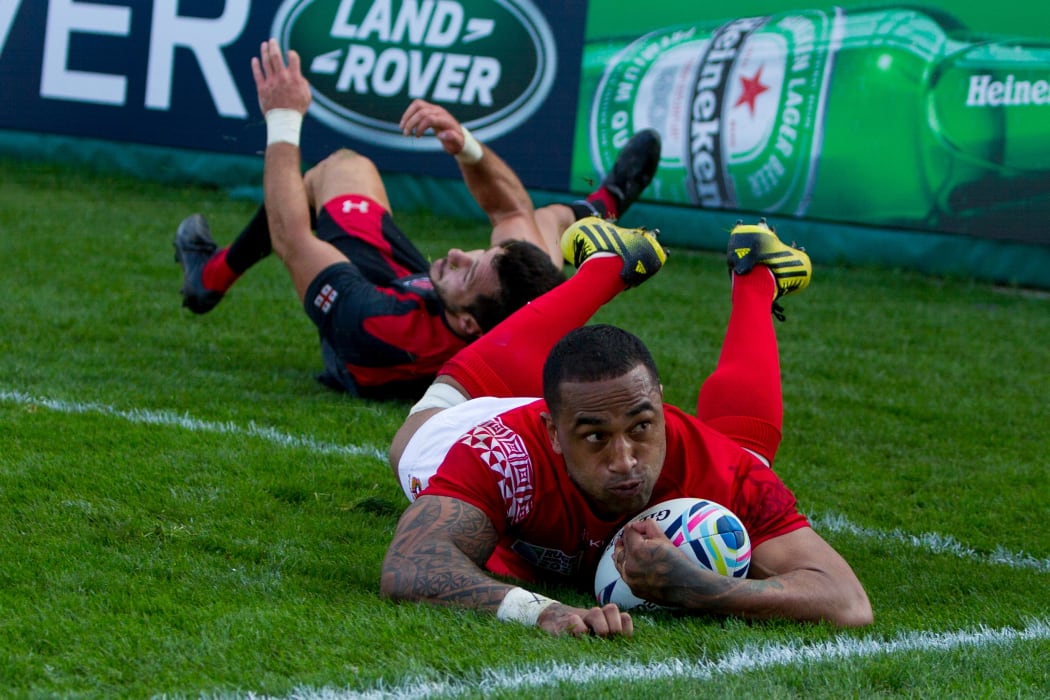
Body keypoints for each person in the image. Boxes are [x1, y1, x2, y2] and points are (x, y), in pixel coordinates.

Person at [380, 218, 873, 637]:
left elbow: (847, 601)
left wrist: (704, 590)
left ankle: (757, 273)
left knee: (737, 490)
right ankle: (605, 267)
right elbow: (411, 564)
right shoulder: (503, 453)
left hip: (633, 432)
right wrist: (541, 611)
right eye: (596, 437)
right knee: (415, 438)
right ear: (553, 433)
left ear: (661, 407)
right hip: (478, 424)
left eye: (642, 428)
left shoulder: (722, 471)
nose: (625, 462)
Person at [173, 39, 661, 400]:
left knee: (308, 190)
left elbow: (291, 236)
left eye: (467, 269)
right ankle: (603, 205)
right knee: (541, 221)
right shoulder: (516, 304)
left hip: (360, 343)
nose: (456, 251)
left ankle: (210, 278)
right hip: (440, 298)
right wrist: (464, 143)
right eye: (477, 253)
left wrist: (283, 116)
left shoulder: (373, 322)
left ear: (469, 323)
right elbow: (510, 211)